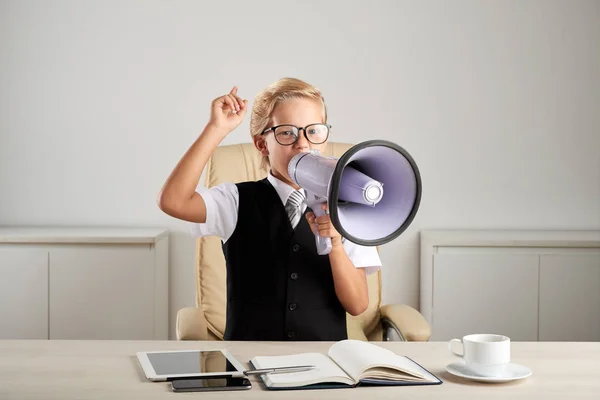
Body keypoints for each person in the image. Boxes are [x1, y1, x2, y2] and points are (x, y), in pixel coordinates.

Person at [158, 77, 382, 341]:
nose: (303, 144)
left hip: (324, 366)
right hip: (249, 365)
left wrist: (335, 243)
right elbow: (173, 200)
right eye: (287, 132)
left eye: (314, 130)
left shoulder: (349, 208)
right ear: (262, 144)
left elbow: (357, 305)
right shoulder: (235, 200)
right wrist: (216, 129)